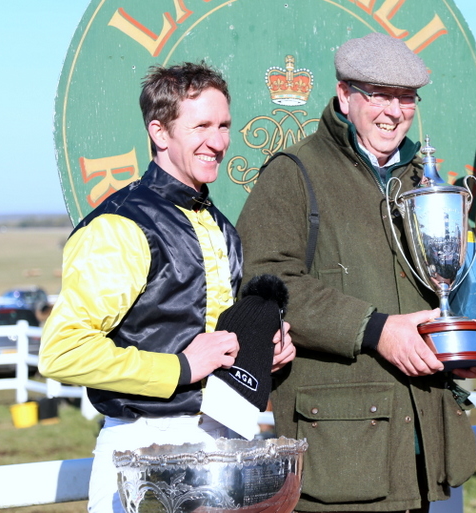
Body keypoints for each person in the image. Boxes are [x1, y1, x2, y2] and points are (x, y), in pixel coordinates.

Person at [236, 32, 476, 513]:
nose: (393, 111)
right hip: (341, 460)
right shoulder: (294, 173)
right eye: (377, 94)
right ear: (344, 96)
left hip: (427, 451)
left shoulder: (424, 179)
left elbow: (462, 271)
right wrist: (376, 330)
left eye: (405, 98)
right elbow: (265, 283)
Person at [39, 62, 295, 513]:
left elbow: (214, 337)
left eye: (224, 126)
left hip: (226, 441)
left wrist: (264, 350)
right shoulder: (120, 225)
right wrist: (179, 368)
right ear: (160, 132)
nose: (217, 141)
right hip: (143, 447)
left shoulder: (220, 226)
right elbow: (62, 352)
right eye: (201, 126)